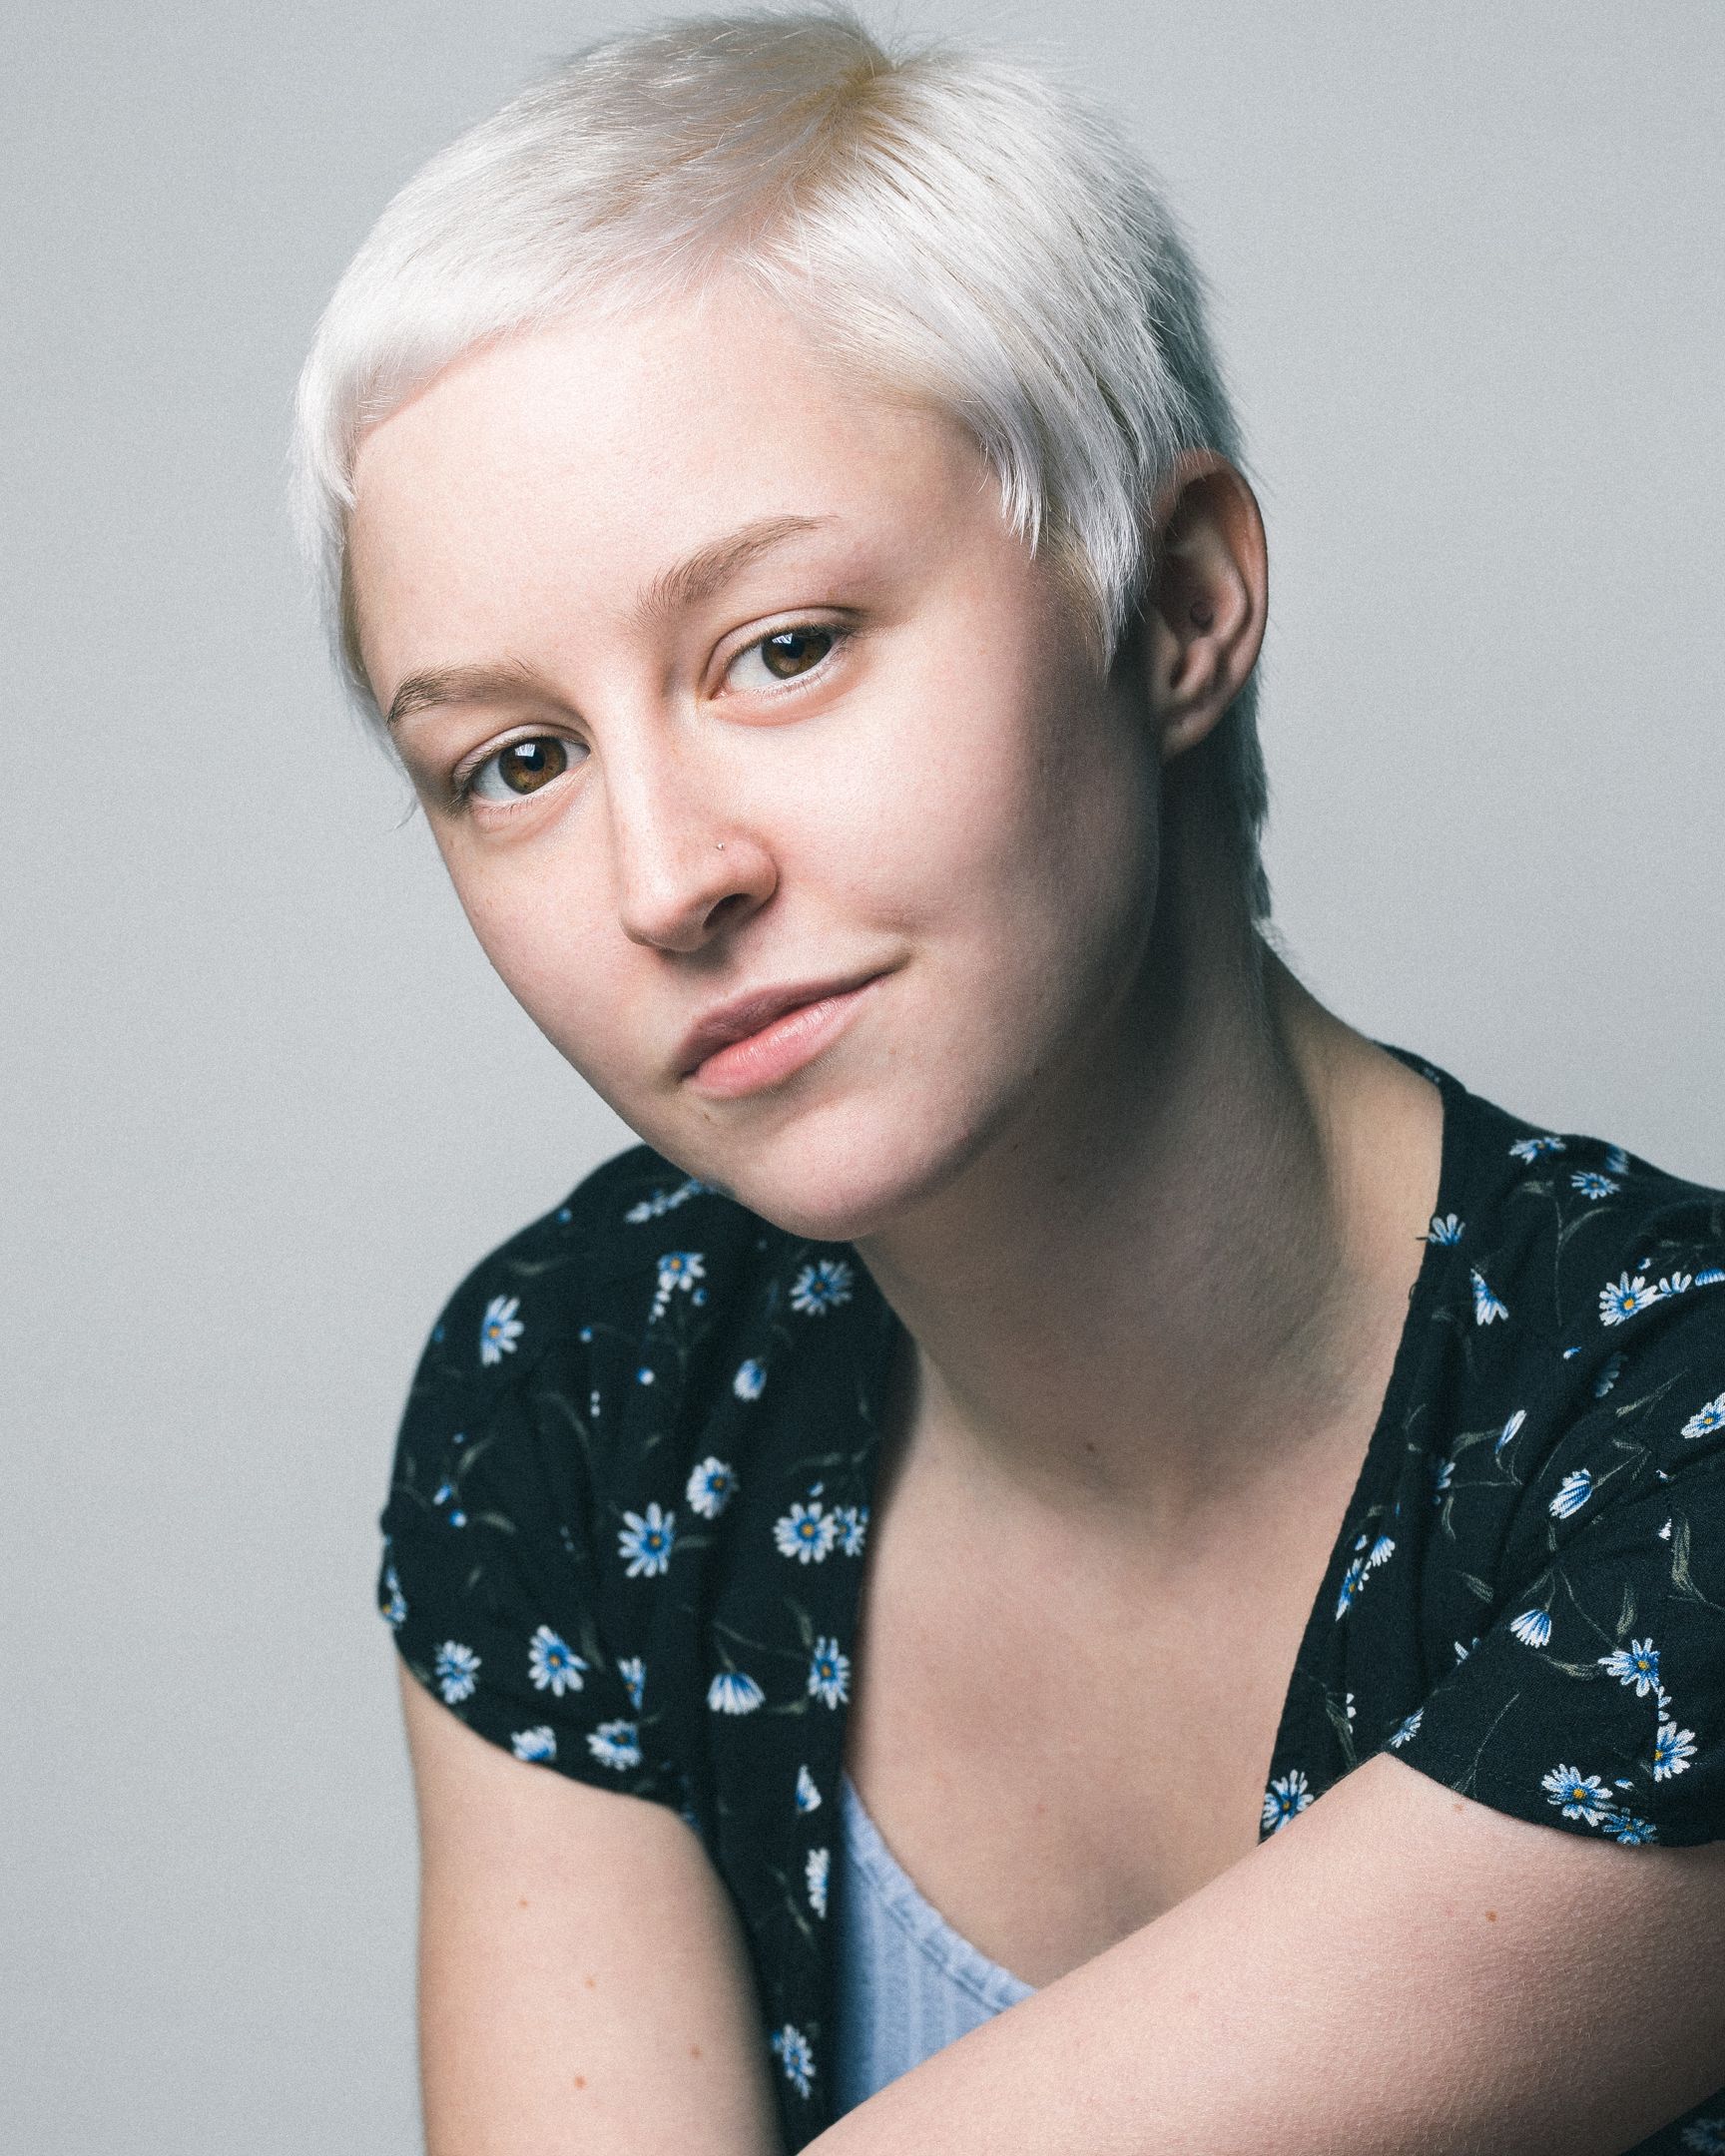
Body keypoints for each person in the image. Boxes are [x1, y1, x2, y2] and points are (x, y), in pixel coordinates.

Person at [292, 11, 1725, 2152]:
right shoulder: (587, 1391)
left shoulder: (1683, 1462)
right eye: (516, 761)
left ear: (1179, 603)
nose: (666, 880)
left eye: (784, 647)